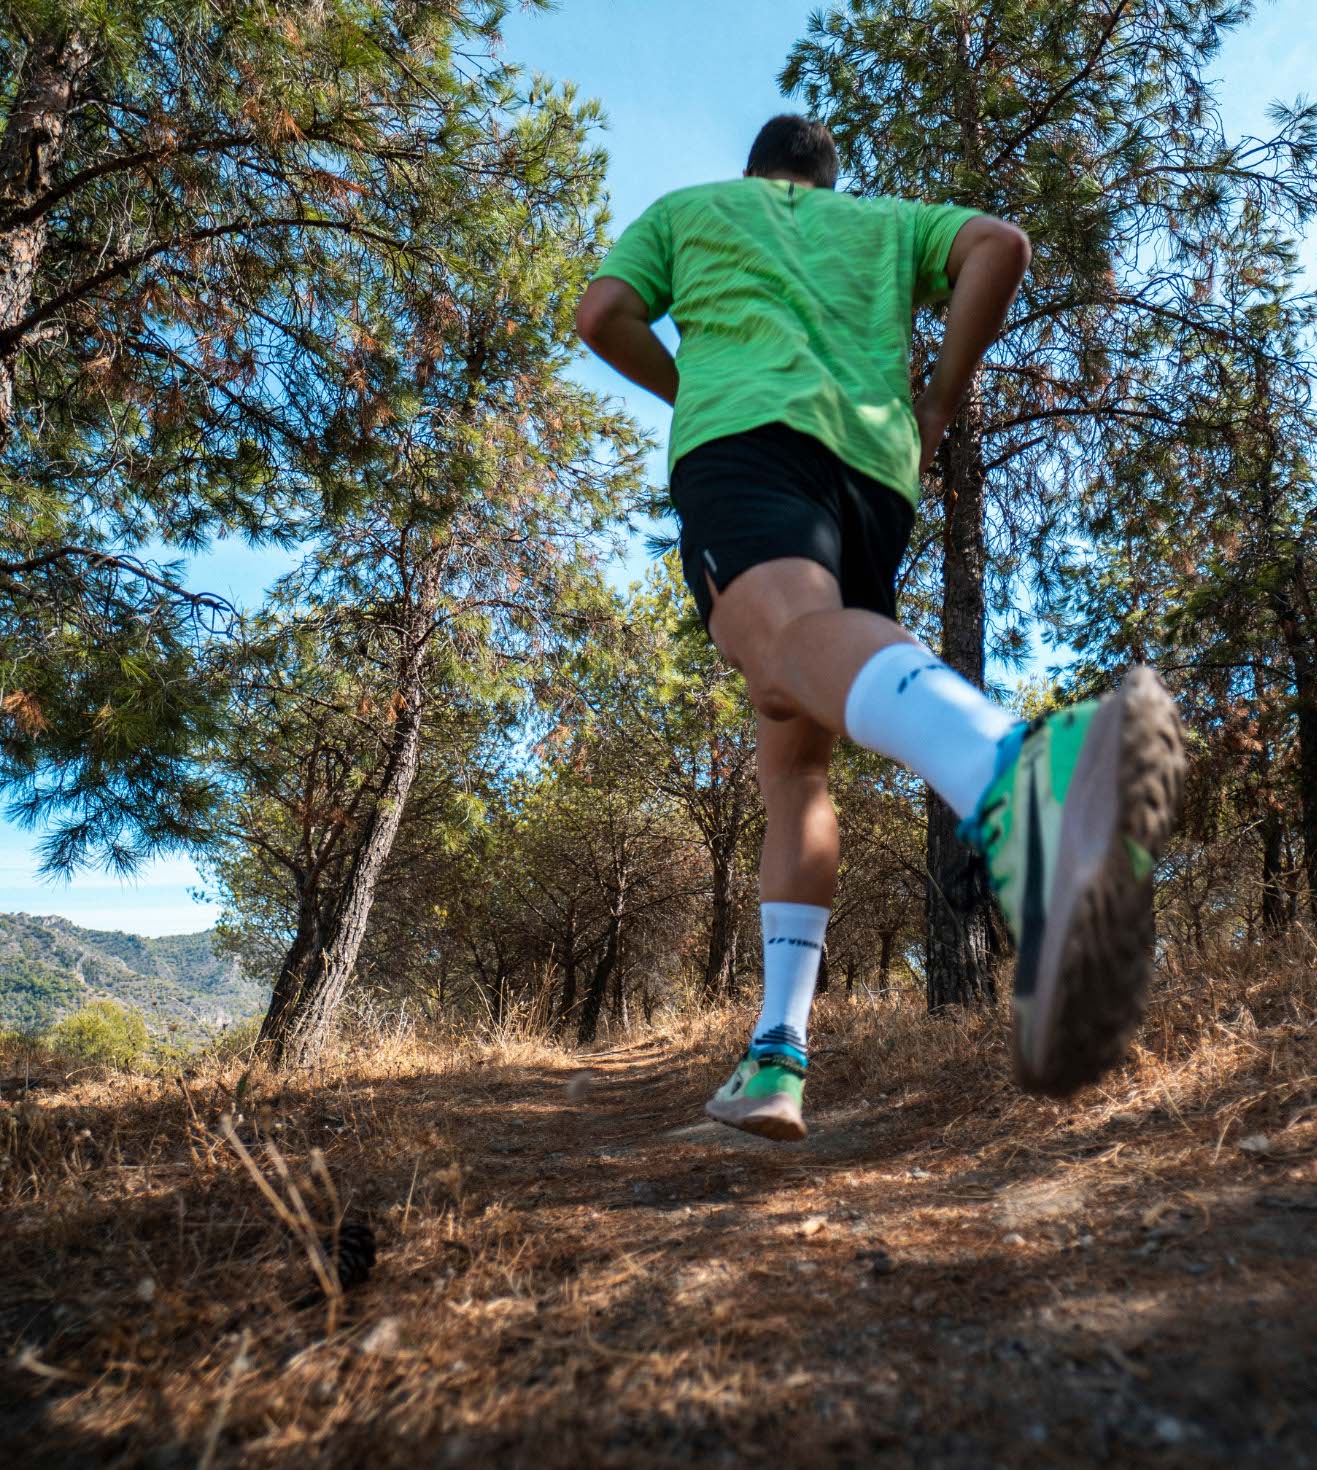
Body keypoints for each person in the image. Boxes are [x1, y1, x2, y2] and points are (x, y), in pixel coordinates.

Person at [576, 115, 1185, 1141]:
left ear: (754, 172)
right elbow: (1000, 245)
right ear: (828, 177)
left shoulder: (692, 210)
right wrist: (940, 403)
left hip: (751, 447)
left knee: (782, 647)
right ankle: (777, 1057)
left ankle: (1016, 775)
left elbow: (602, 316)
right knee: (795, 758)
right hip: (872, 476)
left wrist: (696, 391)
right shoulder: (885, 223)